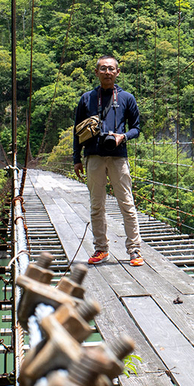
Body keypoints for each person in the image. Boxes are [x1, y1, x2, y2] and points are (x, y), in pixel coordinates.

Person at [73, 55, 144, 267]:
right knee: (97, 205)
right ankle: (101, 249)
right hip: (93, 156)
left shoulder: (127, 98)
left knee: (127, 204)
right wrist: (77, 158)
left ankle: (134, 249)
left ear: (118, 72)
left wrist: (123, 136)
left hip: (118, 156)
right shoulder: (86, 98)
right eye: (103, 68)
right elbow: (77, 131)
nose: (107, 72)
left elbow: (137, 127)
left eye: (111, 68)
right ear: (96, 72)